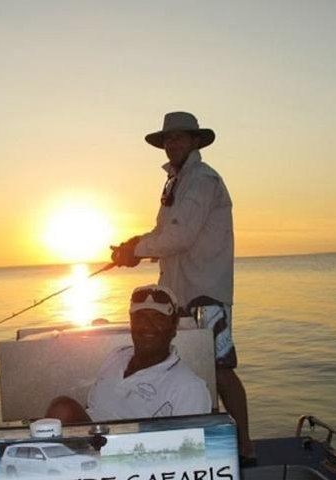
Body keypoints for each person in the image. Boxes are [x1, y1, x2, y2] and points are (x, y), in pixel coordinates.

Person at [109, 111, 255, 463]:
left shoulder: (202, 179)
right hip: (181, 292)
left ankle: (245, 445)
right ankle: (210, 441)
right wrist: (135, 245)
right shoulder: (178, 180)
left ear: (194, 141)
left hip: (206, 292)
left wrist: (137, 251)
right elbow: (166, 234)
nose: (172, 143)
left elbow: (181, 236)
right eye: (167, 139)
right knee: (193, 366)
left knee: (219, 368)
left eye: (179, 137)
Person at [46, 284, 212, 422]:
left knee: (63, 408)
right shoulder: (117, 356)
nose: (148, 326)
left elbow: (194, 451)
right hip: (87, 445)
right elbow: (92, 408)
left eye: (158, 318)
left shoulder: (189, 388)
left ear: (174, 326)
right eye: (140, 317)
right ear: (131, 323)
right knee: (61, 410)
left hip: (132, 456)